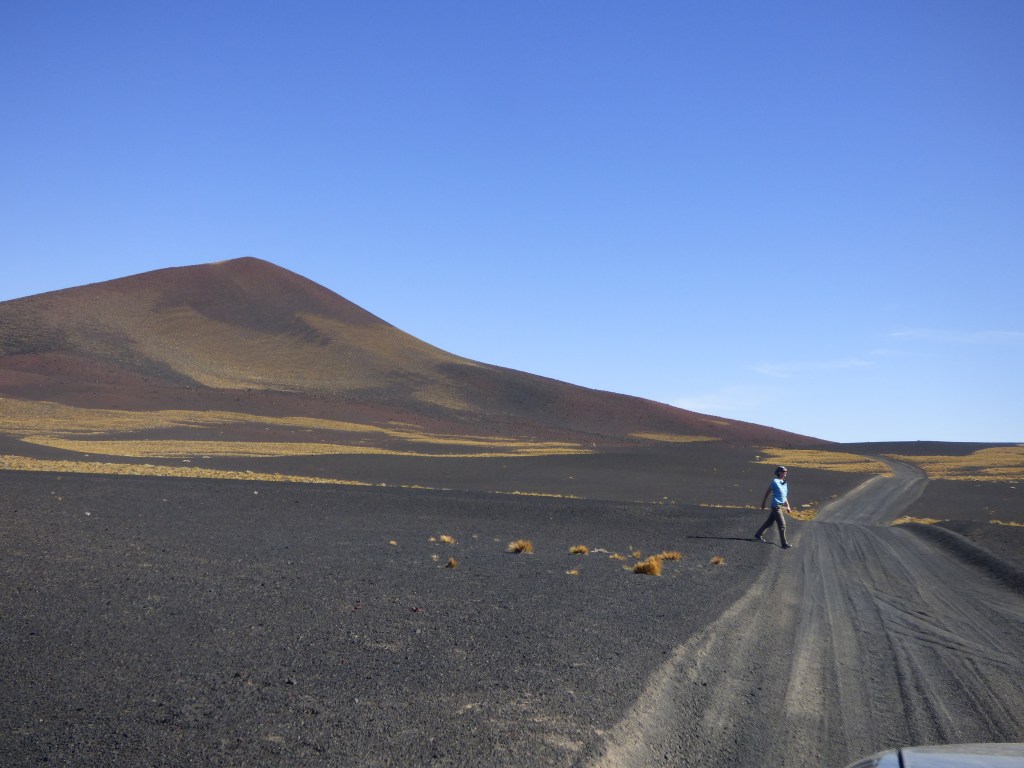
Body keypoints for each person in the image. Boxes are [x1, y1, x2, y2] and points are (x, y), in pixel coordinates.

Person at [755, 466, 793, 548]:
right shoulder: (775, 482)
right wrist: (763, 503)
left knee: (769, 522)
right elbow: (767, 492)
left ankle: (758, 534)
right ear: (778, 473)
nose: (785, 473)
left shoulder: (784, 483)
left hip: (780, 506)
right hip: (776, 506)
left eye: (786, 472)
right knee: (782, 524)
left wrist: (788, 506)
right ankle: (784, 543)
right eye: (783, 472)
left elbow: (784, 496)